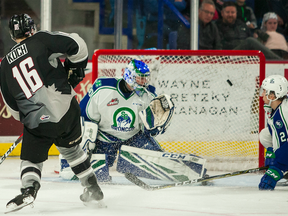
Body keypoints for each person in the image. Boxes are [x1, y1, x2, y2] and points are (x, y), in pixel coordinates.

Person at [0, 14, 105, 213]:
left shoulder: (4, 65)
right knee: (73, 151)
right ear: (32, 28)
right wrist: (76, 69)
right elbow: (78, 45)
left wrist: (30, 117)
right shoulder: (41, 39)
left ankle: (29, 190)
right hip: (67, 112)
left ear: (12, 35)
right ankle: (92, 188)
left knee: (32, 159)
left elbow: (13, 108)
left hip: (37, 121)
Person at [59, 59, 207, 183]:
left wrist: (155, 127)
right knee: (96, 177)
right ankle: (69, 165)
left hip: (133, 138)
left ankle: (193, 172)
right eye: (140, 77)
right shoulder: (102, 87)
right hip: (104, 139)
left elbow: (148, 130)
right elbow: (83, 116)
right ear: (130, 76)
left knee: (159, 159)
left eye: (145, 78)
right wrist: (87, 141)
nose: (144, 81)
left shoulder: (148, 95)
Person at [215, 1, 282, 60]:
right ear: (222, 13)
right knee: (250, 41)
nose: (230, 15)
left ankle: (277, 63)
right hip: (227, 57)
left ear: (236, 13)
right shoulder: (217, 26)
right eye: (227, 12)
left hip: (246, 56)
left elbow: (250, 38)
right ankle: (281, 62)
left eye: (232, 12)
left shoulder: (241, 24)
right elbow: (218, 45)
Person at [258, 75, 288, 190]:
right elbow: (274, 132)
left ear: (272, 95)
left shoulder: (286, 111)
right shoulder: (272, 108)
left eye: (264, 91)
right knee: (265, 135)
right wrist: (271, 153)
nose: (262, 95)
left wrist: (277, 168)